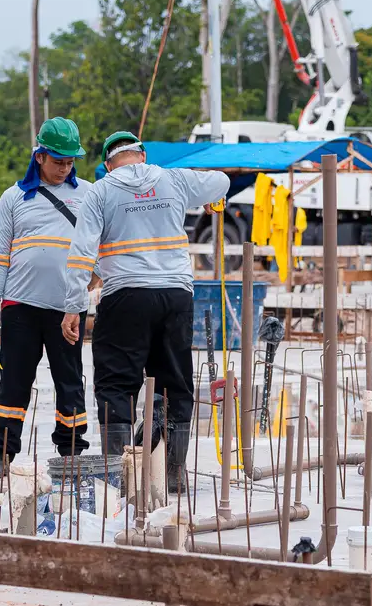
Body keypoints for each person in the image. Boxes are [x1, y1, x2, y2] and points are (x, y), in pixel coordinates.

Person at [62, 130, 228, 494]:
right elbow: (221, 180)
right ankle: (173, 472)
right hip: (175, 296)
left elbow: (81, 254)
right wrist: (213, 197)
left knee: (116, 384)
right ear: (142, 155)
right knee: (174, 383)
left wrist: (74, 306)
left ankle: (119, 475)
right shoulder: (174, 179)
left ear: (108, 164)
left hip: (125, 297)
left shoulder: (100, 192)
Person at [0, 118, 89, 479]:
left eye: (70, 162)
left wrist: (93, 280)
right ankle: (1, 452)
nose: (64, 168)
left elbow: (101, 245)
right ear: (39, 156)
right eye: (58, 161)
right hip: (20, 307)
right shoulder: (14, 198)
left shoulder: (88, 195)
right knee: (14, 381)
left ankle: (72, 451)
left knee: (69, 380)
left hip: (67, 309)